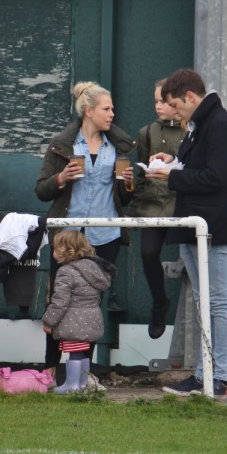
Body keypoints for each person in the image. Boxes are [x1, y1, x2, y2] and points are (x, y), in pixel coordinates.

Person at [34, 81, 135, 386]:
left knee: (90, 304)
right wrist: (61, 178)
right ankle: (50, 368)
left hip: (106, 234)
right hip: (68, 235)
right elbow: (41, 190)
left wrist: (128, 183)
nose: (112, 114)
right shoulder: (62, 145)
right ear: (89, 111)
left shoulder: (117, 147)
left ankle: (81, 372)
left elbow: (126, 197)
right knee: (59, 298)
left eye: (112, 109)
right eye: (107, 109)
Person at [154, 69, 227, 398]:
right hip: (195, 223)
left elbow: (216, 177)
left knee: (216, 300)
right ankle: (205, 374)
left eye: (177, 105)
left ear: (191, 97)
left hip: (211, 226)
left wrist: (172, 176)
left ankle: (218, 377)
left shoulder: (218, 124)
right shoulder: (202, 125)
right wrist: (173, 163)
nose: (175, 112)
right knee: (204, 300)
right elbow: (202, 169)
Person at [127, 78, 187, 339]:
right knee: (149, 253)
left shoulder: (192, 130)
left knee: (194, 258)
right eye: (155, 101)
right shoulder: (147, 133)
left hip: (184, 203)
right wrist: (134, 208)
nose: (158, 106)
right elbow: (142, 176)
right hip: (154, 204)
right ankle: (159, 301)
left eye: (163, 101)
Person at [42, 230, 116, 394]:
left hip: (75, 321)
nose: (53, 252)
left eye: (55, 248)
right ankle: (82, 384)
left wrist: (48, 321)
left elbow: (60, 301)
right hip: (93, 318)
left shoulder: (65, 272)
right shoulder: (95, 269)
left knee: (75, 353)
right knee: (82, 352)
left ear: (65, 251)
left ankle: (72, 385)